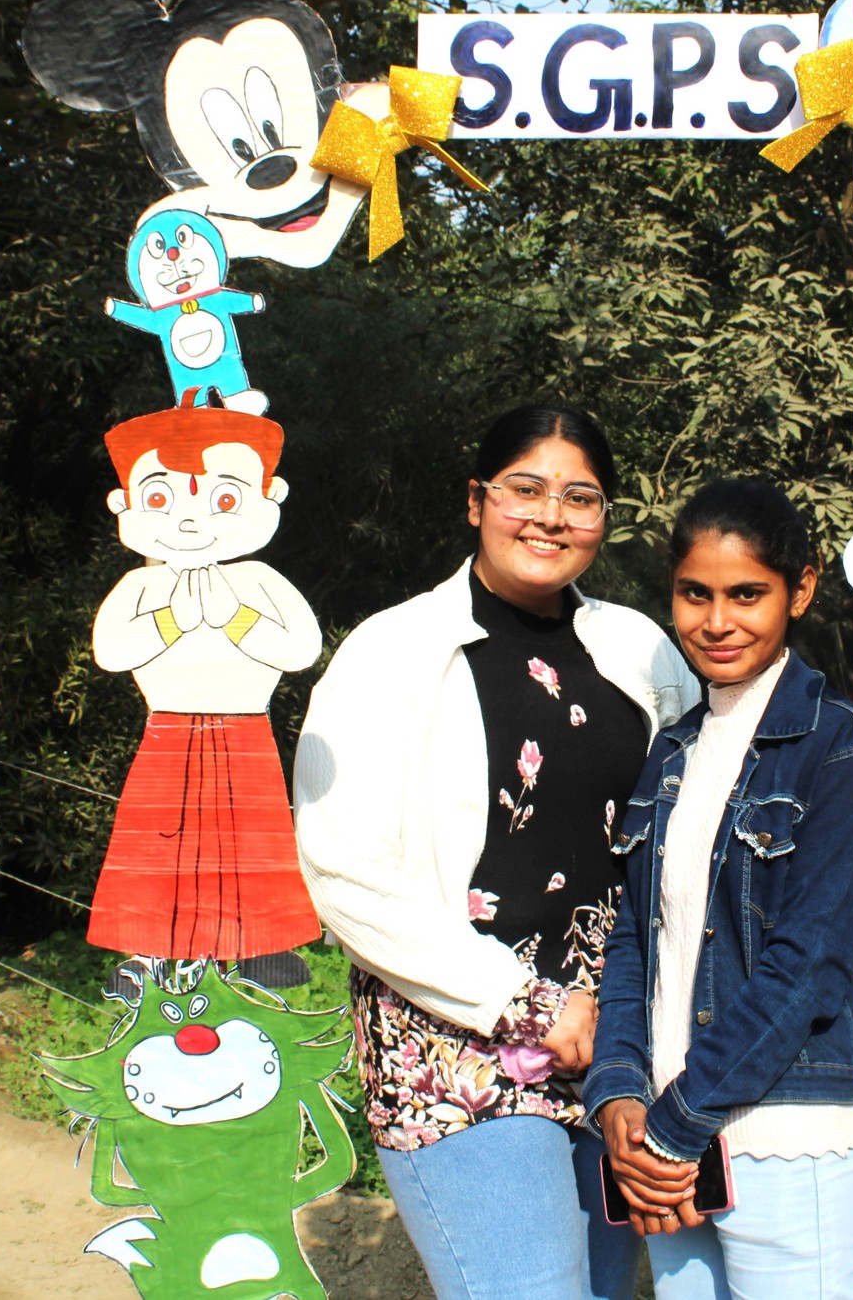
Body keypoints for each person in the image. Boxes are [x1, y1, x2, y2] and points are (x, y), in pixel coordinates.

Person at [295, 405, 697, 1300]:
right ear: (477, 500)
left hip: (615, 1043)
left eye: (579, 497)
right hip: (458, 1042)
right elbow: (342, 867)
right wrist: (523, 1003)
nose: (551, 516)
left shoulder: (638, 647)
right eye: (526, 488)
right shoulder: (391, 651)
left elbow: (686, 815)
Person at [585, 479, 853, 1299]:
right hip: (668, 1150)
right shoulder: (673, 749)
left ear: (800, 589)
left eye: (747, 594)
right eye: (695, 593)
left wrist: (675, 1121)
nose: (717, 620)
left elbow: (809, 965)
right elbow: (636, 938)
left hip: (784, 1143)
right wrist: (619, 1091)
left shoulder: (842, 750)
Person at [87, 393, 324, 980]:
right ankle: (146, 953)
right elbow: (111, 651)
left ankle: (261, 947)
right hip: (167, 730)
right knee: (156, 843)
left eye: (222, 500)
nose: (190, 521)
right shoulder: (141, 585)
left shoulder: (257, 579)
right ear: (124, 503)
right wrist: (172, 622)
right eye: (161, 499)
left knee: (252, 841)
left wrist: (235, 619)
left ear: (268, 498)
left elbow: (302, 648)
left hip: (246, 730)